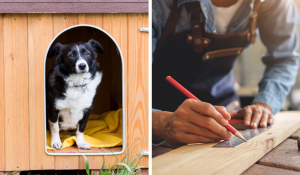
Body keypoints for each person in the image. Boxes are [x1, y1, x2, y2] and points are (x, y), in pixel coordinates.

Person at [152, 0, 299, 146]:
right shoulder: (155, 4)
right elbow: (128, 82)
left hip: (226, 121)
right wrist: (161, 123)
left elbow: (284, 59)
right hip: (153, 127)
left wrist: (265, 104)